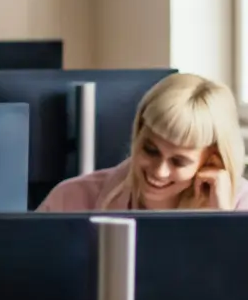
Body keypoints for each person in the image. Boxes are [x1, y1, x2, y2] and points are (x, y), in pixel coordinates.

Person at [38, 72, 248, 211]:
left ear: (211, 160)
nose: (159, 171)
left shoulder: (241, 204)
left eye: (178, 161)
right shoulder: (72, 200)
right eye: (150, 150)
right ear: (138, 133)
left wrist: (223, 221)